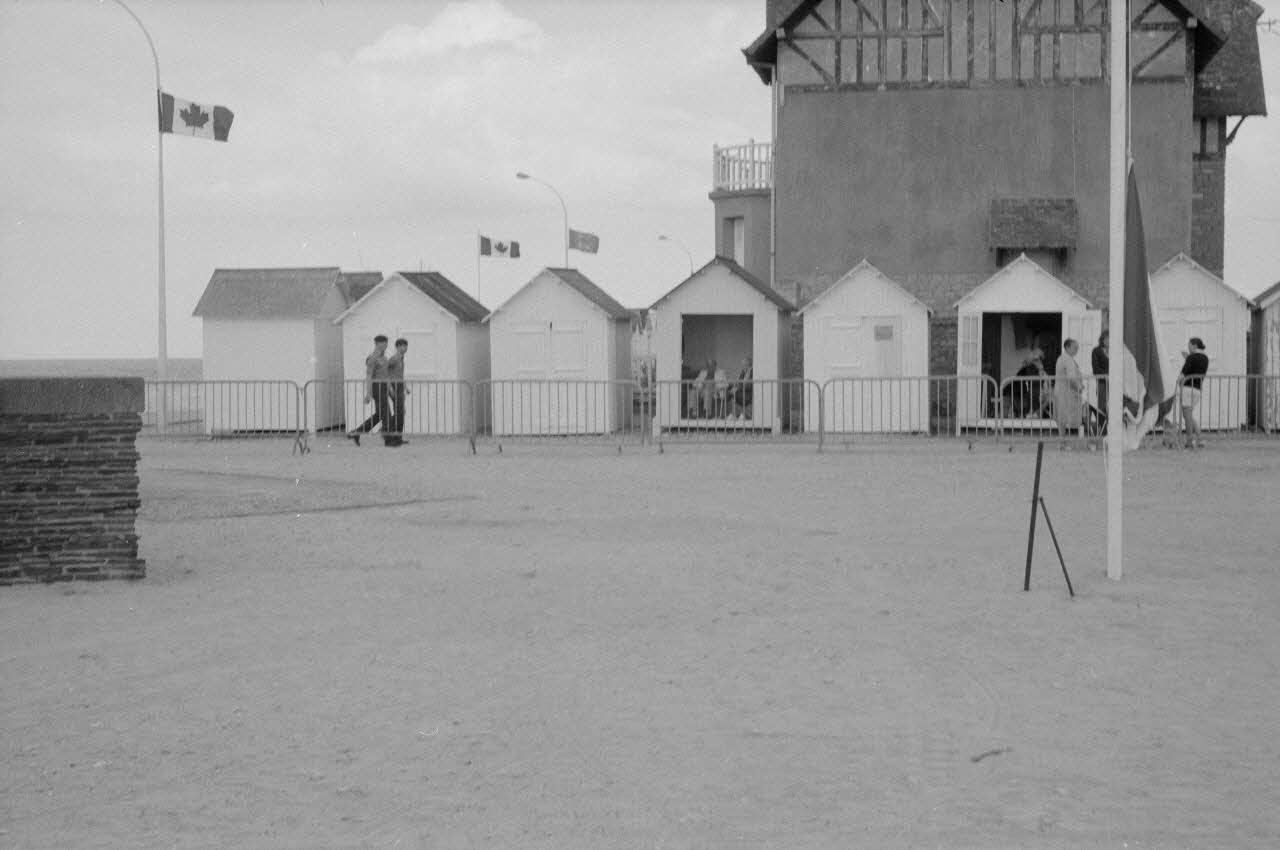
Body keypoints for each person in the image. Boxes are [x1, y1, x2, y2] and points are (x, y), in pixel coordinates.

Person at [348, 334, 390, 446]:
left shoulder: (384, 358)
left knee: (380, 414)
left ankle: (356, 432)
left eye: (386, 344)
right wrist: (368, 393)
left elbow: (386, 375)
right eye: (383, 344)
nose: (385, 346)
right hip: (377, 388)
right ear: (377, 344)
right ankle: (388, 438)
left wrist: (390, 388)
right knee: (386, 414)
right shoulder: (372, 358)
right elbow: (369, 376)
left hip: (384, 387)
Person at [1178, 337, 1209, 448]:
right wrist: (1188, 358)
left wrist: (1178, 382)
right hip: (1197, 389)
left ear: (1195, 345)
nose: (1188, 348)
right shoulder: (1205, 358)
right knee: (1189, 415)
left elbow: (1183, 374)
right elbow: (1196, 367)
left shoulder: (1191, 357)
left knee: (1187, 416)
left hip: (1187, 388)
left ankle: (1189, 441)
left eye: (1189, 345)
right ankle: (1200, 438)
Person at [1053, 339, 1083, 448]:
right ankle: (1062, 442)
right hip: (1065, 392)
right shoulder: (1068, 360)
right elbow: (1071, 377)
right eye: (1075, 348)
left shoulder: (1061, 358)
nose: (1077, 350)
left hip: (1060, 390)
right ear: (1067, 347)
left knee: (1061, 418)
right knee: (1063, 418)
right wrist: (1079, 386)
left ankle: (1062, 441)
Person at [384, 337, 410, 447]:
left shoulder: (401, 358)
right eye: (402, 346)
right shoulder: (394, 359)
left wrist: (405, 386)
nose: (404, 348)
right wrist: (389, 387)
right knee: (399, 411)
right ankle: (388, 432)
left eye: (405, 346)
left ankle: (398, 437)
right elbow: (384, 371)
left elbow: (400, 374)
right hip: (393, 386)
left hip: (399, 386)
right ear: (397, 347)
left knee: (401, 412)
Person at [1091, 330, 1109, 434]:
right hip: (1102, 383)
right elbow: (1095, 369)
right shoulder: (1096, 351)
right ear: (1102, 339)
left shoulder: (1115, 350)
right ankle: (1103, 430)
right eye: (1106, 338)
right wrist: (1106, 376)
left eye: (1110, 338)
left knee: (1115, 405)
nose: (1108, 341)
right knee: (1102, 407)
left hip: (1115, 384)